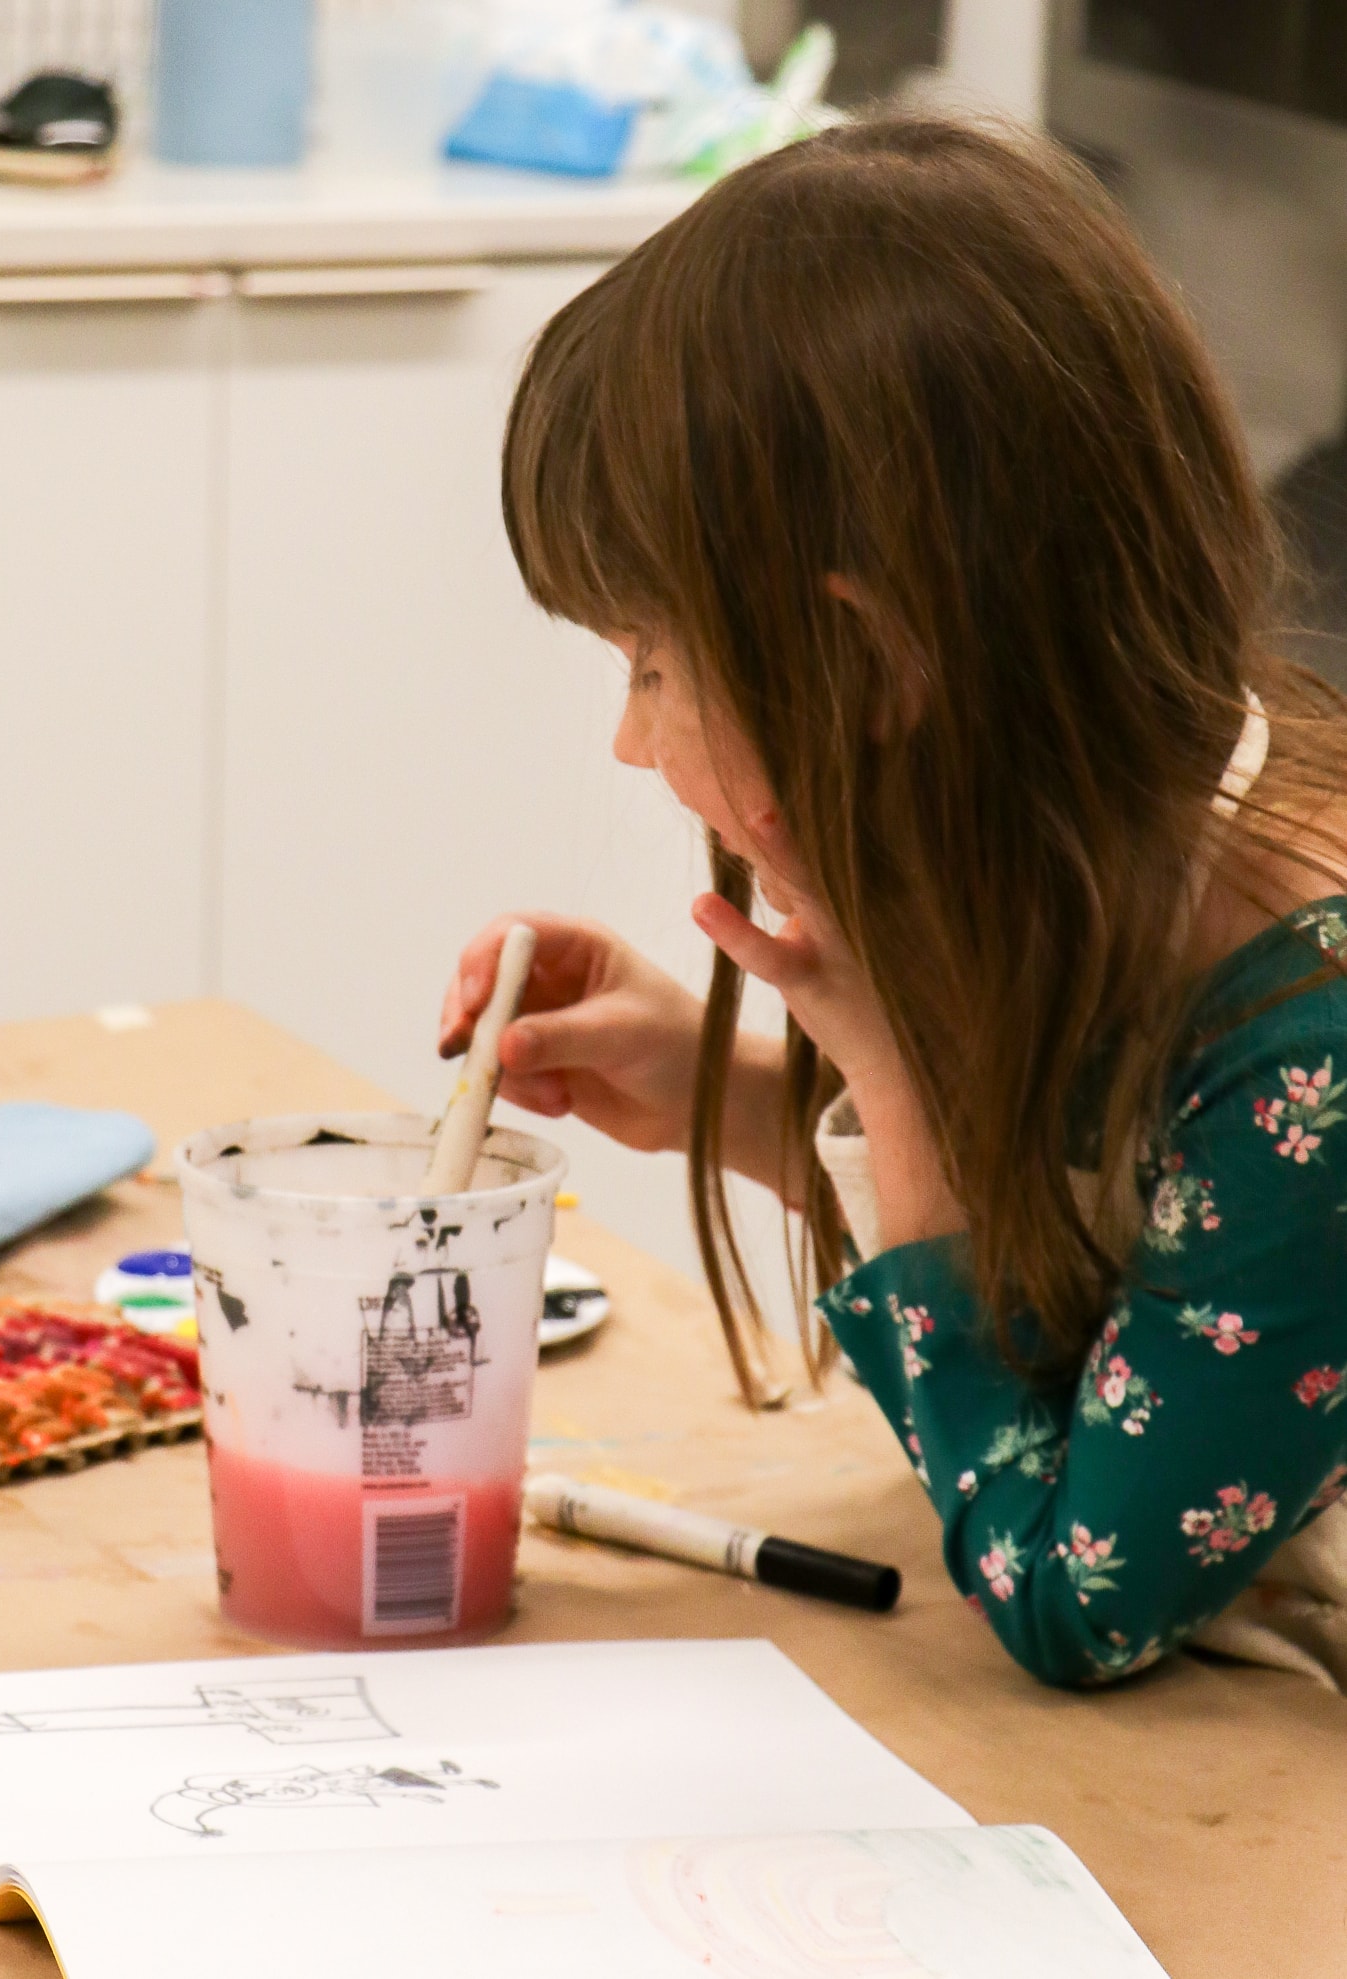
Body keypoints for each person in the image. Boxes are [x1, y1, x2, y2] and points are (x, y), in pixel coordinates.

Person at [441, 117, 1347, 1689]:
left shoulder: (1308, 1037)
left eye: (653, 664)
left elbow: (1077, 1594)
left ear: (866, 658)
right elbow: (1100, 1280)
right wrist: (721, 1090)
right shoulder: (1115, 845)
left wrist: (901, 1104)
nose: (632, 738)